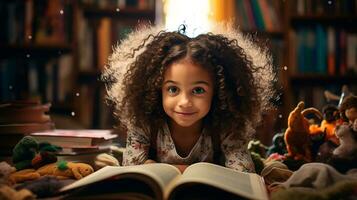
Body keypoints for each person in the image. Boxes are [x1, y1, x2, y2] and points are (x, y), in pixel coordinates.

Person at [102, 24, 276, 173]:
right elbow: (131, 168)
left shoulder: (226, 126)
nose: (184, 102)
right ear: (156, 90)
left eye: (198, 90)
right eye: (173, 89)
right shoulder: (145, 123)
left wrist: (155, 166)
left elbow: (244, 172)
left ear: (219, 92)